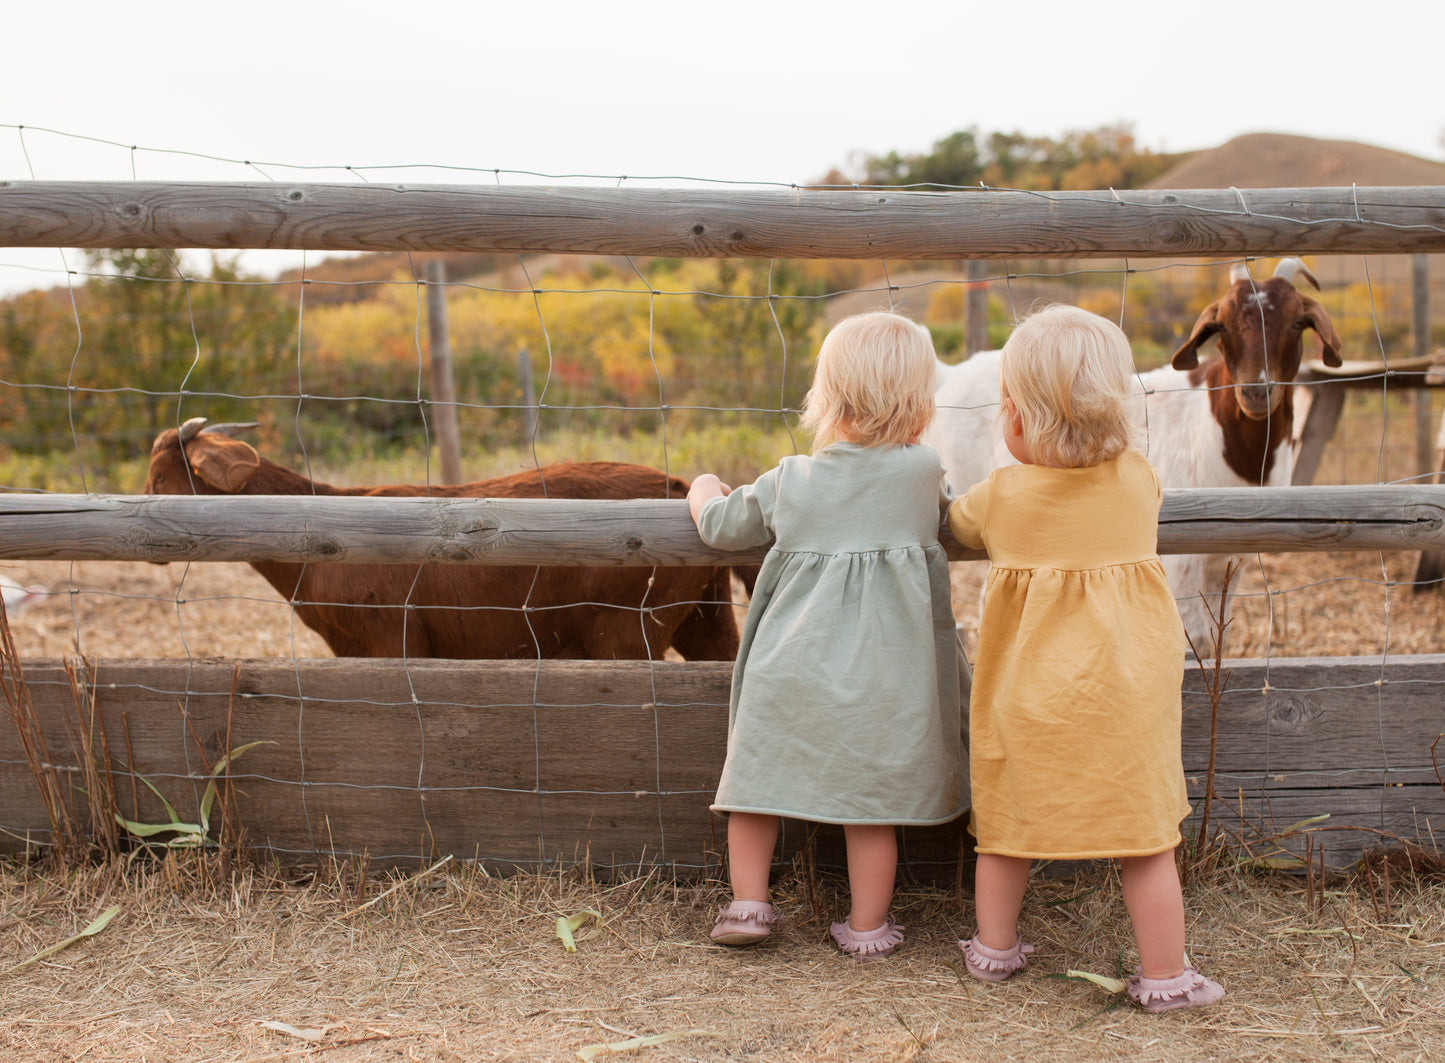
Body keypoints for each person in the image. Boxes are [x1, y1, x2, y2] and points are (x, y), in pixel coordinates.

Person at [946, 304, 1225, 1012]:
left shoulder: (1001, 496)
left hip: (1026, 699)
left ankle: (994, 949)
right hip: (1126, 697)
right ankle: (1165, 973)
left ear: (1014, 418)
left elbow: (954, 523)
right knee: (1144, 839)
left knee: (1005, 831)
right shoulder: (1137, 479)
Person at [688, 311, 965, 961]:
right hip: (882, 676)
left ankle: (749, 902)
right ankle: (866, 926)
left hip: (789, 664)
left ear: (827, 398)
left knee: (755, 783)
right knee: (868, 804)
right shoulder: (922, 474)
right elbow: (955, 516)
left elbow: (722, 527)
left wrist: (701, 489)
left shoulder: (790, 478)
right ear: (917, 403)